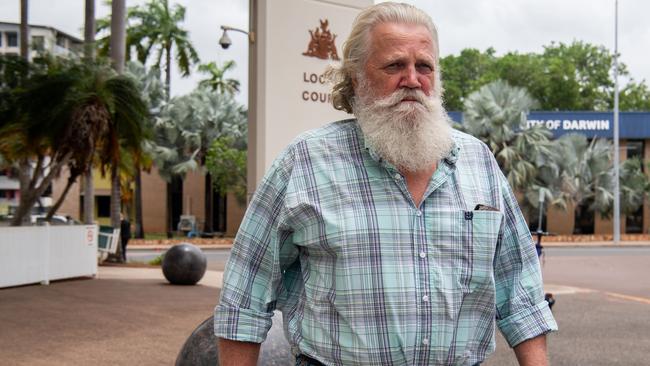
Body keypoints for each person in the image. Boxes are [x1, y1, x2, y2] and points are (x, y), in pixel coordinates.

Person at [214, 3, 557, 365]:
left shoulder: (478, 162)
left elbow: (521, 293)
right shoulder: (306, 162)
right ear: (358, 77)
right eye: (395, 65)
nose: (412, 79)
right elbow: (244, 297)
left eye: (424, 66)